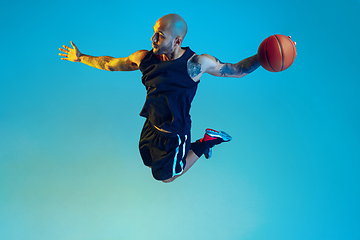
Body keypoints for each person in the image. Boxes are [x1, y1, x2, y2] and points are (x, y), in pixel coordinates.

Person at [58, 14, 260, 183]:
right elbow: (110, 63)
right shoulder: (144, 58)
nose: (153, 38)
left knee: (167, 177)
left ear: (177, 41)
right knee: (149, 163)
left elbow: (237, 70)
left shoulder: (196, 64)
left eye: (160, 36)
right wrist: (80, 57)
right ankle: (194, 148)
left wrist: (264, 56)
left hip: (175, 135)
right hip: (151, 126)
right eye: (154, 32)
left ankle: (208, 141)